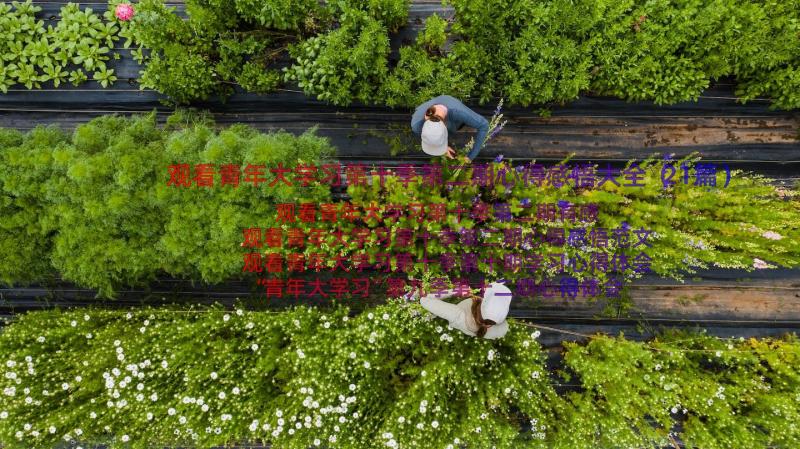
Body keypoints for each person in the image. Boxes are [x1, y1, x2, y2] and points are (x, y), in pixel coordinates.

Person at [415, 282, 512, 339]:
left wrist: (455, 291)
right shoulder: (497, 323)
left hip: (452, 316)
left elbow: (424, 300)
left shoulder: (458, 315)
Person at [410, 95, 490, 163]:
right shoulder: (416, 125)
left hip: (453, 114)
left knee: (456, 127)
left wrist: (470, 157)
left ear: (445, 126)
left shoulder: (459, 113)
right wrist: (445, 148)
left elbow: (484, 125)